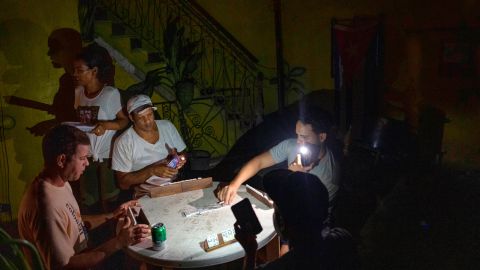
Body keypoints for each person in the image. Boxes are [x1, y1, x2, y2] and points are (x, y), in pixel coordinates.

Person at [17, 125, 150, 270]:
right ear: (62, 160)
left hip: (86, 252)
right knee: (141, 263)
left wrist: (113, 214)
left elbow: (74, 222)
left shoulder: (60, 183)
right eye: (82, 158)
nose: (87, 163)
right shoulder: (46, 207)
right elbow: (64, 267)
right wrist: (119, 242)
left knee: (140, 261)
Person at [235, 170, 358, 269]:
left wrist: (250, 252)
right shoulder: (343, 239)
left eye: (276, 209)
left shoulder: (284, 266)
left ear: (281, 222)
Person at [217, 106, 339, 205]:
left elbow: (302, 213)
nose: (298, 141)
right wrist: (234, 184)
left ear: (321, 137)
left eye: (304, 137)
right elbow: (259, 162)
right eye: (297, 135)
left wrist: (292, 175)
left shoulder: (330, 174)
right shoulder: (291, 146)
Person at [73, 43, 129, 212]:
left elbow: (124, 121)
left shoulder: (110, 94)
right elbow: (80, 120)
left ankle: (115, 231)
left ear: (94, 71)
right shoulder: (78, 93)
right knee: (88, 198)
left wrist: (105, 125)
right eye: (74, 70)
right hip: (86, 154)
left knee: (110, 198)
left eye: (80, 70)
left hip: (107, 155)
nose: (75, 74)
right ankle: (95, 234)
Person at [112, 94, 187, 199]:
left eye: (150, 115)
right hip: (145, 193)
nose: (147, 121)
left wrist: (179, 159)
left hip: (174, 185)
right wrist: (152, 171)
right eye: (141, 118)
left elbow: (183, 153)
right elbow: (123, 183)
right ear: (131, 117)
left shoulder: (167, 126)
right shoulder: (123, 142)